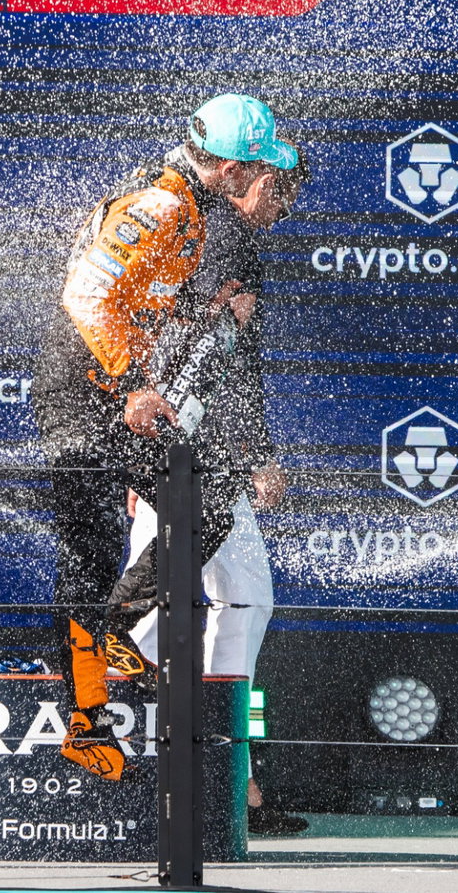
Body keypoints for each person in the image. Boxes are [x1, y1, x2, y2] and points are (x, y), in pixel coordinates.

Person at [31, 94, 297, 782]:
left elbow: (138, 293)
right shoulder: (161, 204)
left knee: (207, 501)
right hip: (83, 395)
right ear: (233, 168)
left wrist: (199, 308)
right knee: (89, 556)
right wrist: (131, 385)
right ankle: (85, 720)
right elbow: (86, 297)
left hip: (110, 394)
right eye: (259, 167)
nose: (263, 178)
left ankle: (119, 632)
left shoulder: (188, 209)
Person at [118, 146, 307, 834]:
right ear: (254, 178)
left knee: (237, 599)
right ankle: (146, 763)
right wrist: (257, 454)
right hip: (186, 453)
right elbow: (209, 355)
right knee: (154, 613)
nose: (283, 211)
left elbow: (213, 355)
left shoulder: (209, 231)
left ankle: (226, 776)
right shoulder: (224, 238)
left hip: (195, 450)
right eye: (280, 195)